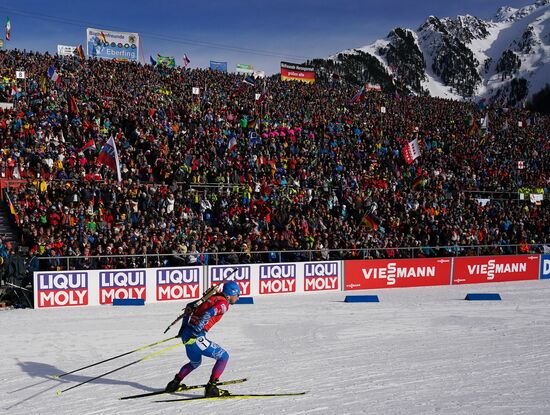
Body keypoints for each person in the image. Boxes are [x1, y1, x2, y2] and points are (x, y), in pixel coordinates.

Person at [165, 280, 241, 397]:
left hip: (187, 334)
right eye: (238, 295)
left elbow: (189, 306)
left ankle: (174, 383)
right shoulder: (223, 304)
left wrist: (183, 328)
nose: (238, 298)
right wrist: (196, 331)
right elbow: (208, 314)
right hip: (196, 336)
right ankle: (211, 387)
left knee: (195, 362)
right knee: (223, 357)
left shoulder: (211, 297)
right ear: (231, 293)